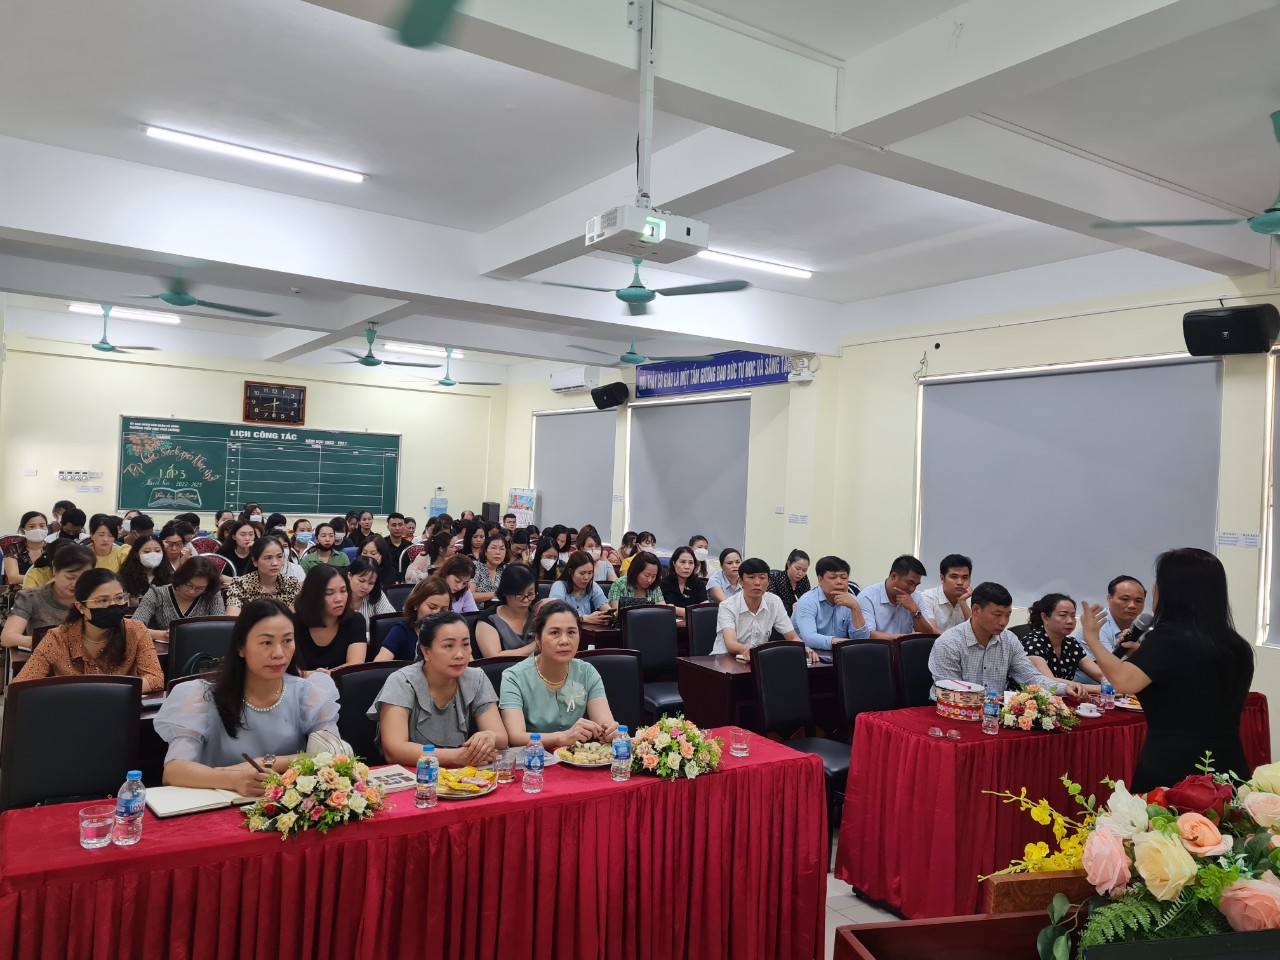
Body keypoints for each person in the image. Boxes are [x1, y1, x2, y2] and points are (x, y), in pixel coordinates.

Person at [1080, 548, 1254, 791]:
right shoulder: (1237, 645)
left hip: (1173, 769)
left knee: (1164, 817)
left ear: (1172, 591)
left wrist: (1092, 638)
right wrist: (1143, 657)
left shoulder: (1167, 639)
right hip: (1230, 767)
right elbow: (1190, 680)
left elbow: (1123, 681)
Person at [154, 598, 342, 796]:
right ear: (241, 647)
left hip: (284, 804)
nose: (279, 653)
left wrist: (266, 762)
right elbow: (174, 770)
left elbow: (333, 755)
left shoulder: (308, 693)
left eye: (287, 641)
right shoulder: (201, 697)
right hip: (218, 803)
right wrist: (233, 779)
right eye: (266, 643)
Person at [371, 611, 507, 766]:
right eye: (448, 646)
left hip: (462, 773)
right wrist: (456, 757)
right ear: (426, 651)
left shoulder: (476, 678)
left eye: (465, 644)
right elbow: (393, 750)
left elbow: (502, 738)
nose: (460, 654)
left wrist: (490, 737)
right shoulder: (401, 682)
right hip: (415, 774)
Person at [13, 569, 164, 693]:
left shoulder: (135, 630)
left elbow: (155, 679)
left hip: (118, 709)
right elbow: (21, 686)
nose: (113, 605)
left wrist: (107, 692)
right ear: (81, 607)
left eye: (119, 598)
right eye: (103, 600)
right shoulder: (58, 638)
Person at [928, 581, 1088, 697]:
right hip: (954, 715)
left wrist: (1064, 689)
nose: (1004, 622)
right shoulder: (949, 643)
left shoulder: (1009, 640)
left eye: (1008, 615)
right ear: (976, 610)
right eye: (997, 615)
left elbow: (1031, 678)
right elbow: (950, 692)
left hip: (994, 716)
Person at [499, 600, 618, 748]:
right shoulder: (514, 677)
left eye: (571, 632)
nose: (564, 641)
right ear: (538, 639)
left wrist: (609, 731)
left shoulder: (587, 672)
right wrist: (562, 738)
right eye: (555, 633)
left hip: (577, 756)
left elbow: (604, 721)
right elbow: (516, 737)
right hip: (534, 757)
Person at [711, 557, 816, 663]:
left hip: (757, 661)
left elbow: (792, 637)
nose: (757, 582)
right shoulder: (728, 606)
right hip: (724, 660)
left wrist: (803, 648)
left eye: (762, 578)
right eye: (751, 577)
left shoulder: (774, 602)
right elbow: (731, 644)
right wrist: (746, 649)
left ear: (769, 582)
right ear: (741, 582)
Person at [1, 543, 94, 649]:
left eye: (82, 578)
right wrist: (43, 642)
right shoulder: (31, 597)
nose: (75, 584)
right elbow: (7, 637)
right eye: (70, 577)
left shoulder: (94, 599)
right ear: (55, 570)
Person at [133, 556, 226, 642]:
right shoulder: (157, 594)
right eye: (188, 585)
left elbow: (220, 629)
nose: (192, 592)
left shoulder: (212, 596)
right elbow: (133, 628)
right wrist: (164, 635)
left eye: (200, 588)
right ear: (181, 578)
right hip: (161, 652)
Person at [292, 566, 367, 671]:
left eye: (343, 591)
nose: (339, 599)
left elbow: (355, 664)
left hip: (342, 681)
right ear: (313, 595)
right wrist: (309, 676)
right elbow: (289, 670)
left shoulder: (355, 620)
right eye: (329, 593)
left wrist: (323, 675)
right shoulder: (293, 624)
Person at [1020, 593, 1103, 686]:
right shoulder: (1032, 643)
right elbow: (1048, 682)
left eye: (1073, 616)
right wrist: (1098, 688)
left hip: (1064, 695)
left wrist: (1112, 683)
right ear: (1045, 617)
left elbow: (1100, 675)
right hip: (1027, 695)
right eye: (1063, 615)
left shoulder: (1071, 644)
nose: (1070, 621)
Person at [791, 556, 870, 651]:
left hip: (842, 654)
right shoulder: (807, 601)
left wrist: (855, 608)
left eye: (844, 578)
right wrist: (844, 643)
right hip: (811, 654)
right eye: (833, 577)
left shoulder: (852, 601)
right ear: (820, 580)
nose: (839, 582)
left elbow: (862, 640)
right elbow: (809, 638)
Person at [857, 555, 937, 639]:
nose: (912, 589)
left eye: (916, 585)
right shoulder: (867, 597)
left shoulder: (916, 597)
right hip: (878, 647)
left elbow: (928, 635)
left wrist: (915, 611)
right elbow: (868, 635)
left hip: (906, 646)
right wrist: (904, 639)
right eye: (910, 583)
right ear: (894, 576)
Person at [376, 576, 452, 662]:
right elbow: (379, 666)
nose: (437, 614)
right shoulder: (401, 631)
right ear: (416, 604)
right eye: (432, 607)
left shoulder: (451, 633)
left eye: (443, 610)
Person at [225, 536, 301, 615]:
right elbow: (233, 618)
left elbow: (294, 618)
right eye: (268, 558)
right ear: (255, 561)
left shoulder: (291, 583)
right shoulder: (240, 585)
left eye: (279, 557)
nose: (275, 563)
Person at [475, 563, 539, 657]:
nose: (526, 600)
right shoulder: (488, 620)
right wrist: (536, 645)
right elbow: (494, 658)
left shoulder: (537, 613)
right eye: (519, 595)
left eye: (530, 594)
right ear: (505, 592)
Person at [550, 551, 610, 623]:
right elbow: (555, 613)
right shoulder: (559, 586)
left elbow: (605, 608)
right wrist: (583, 619)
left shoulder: (592, 586)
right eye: (582, 573)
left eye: (590, 573)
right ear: (570, 572)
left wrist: (611, 614)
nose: (586, 577)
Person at [921, 554, 973, 633]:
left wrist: (962, 602)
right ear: (942, 579)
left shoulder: (973, 600)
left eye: (965, 578)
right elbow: (931, 629)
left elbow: (974, 631)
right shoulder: (928, 597)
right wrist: (953, 640)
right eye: (954, 577)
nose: (960, 582)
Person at [1099, 575, 1148, 657]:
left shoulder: (1143, 627)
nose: (1132, 606)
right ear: (1109, 599)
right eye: (1125, 599)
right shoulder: (1095, 627)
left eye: (1138, 601)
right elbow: (1110, 663)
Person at [117, 534, 171, 602]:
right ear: (137, 554)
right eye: (147, 551)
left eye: (157, 551)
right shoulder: (123, 578)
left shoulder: (169, 577)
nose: (153, 555)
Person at [660, 546, 707, 624]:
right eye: (682, 562)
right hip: (671, 625)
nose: (687, 567)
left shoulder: (699, 584)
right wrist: (695, 612)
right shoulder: (665, 583)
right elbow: (670, 609)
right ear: (674, 563)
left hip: (695, 625)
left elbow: (705, 608)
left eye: (691, 563)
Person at [346, 556, 396, 625]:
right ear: (350, 575)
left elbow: (391, 621)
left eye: (371, 583)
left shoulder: (376, 593)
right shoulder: (339, 596)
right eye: (361, 581)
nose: (365, 587)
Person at [768, 549, 811, 615]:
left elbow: (808, 599)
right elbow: (771, 603)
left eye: (804, 570)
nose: (800, 573)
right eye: (798, 568)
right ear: (789, 564)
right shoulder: (775, 578)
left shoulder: (804, 579)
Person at [470, 534, 508, 605]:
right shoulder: (475, 566)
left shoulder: (506, 569)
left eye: (502, 549)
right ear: (485, 551)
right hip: (477, 610)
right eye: (493, 548)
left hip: (500, 609)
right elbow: (470, 596)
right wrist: (496, 594)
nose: (498, 552)